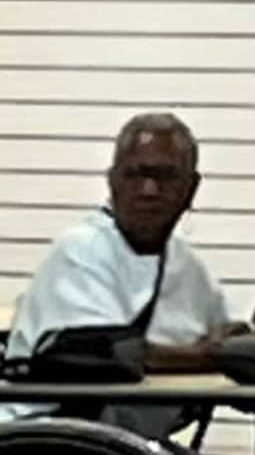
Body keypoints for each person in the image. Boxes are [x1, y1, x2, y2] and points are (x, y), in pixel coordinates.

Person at [17, 112, 228, 362]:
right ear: (112, 181)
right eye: (135, 174)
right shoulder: (81, 250)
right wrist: (202, 355)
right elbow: (104, 357)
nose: (149, 190)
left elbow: (230, 332)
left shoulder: (184, 260)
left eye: (165, 176)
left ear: (191, 188)